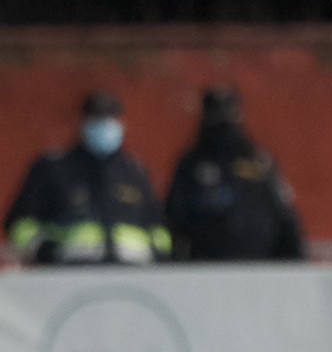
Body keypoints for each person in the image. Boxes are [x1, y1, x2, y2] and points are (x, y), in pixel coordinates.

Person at [4, 90, 170, 265]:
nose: (104, 127)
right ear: (81, 123)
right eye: (96, 120)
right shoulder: (53, 169)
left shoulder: (135, 172)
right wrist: (43, 250)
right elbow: (19, 224)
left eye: (109, 119)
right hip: (67, 274)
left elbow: (158, 227)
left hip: (134, 274)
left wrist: (158, 252)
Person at [164, 86, 305, 261]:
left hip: (259, 266)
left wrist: (296, 261)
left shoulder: (259, 162)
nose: (223, 119)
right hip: (207, 267)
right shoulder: (192, 165)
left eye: (228, 111)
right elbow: (174, 218)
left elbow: (285, 217)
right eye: (217, 113)